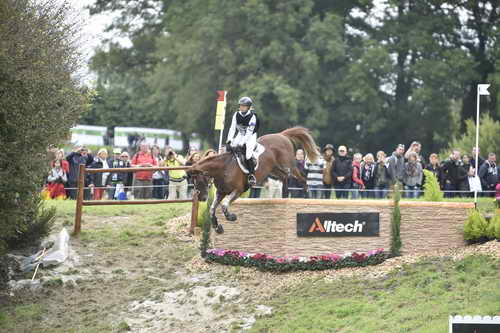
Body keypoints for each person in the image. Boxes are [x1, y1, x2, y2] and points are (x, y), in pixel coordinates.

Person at [226, 96, 260, 186]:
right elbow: (232, 128)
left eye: (243, 106)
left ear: (248, 107)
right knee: (229, 149)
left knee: (248, 154)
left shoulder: (253, 116)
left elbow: (249, 132)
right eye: (240, 105)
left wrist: (241, 143)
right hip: (240, 134)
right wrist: (229, 140)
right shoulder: (236, 114)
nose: (241, 107)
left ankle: (251, 175)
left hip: (251, 136)